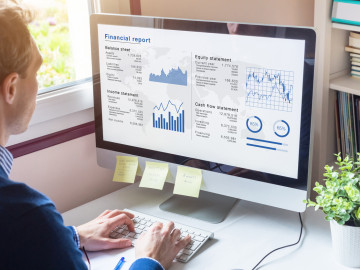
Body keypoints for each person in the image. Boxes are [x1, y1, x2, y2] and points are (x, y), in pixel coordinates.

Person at [0, 1, 190, 269]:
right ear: (10, 88)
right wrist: (149, 260)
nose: (38, 86)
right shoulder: (27, 217)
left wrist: (70, 237)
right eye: (36, 72)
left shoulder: (25, 225)